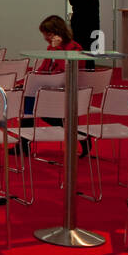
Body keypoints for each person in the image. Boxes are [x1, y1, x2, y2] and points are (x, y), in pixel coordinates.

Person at [16, 15, 87, 156]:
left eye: (48, 34)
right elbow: (44, 68)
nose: (45, 37)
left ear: (58, 32)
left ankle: (23, 145)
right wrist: (28, 81)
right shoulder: (51, 49)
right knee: (28, 101)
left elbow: (68, 71)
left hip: (65, 90)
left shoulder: (74, 48)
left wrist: (57, 50)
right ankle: (23, 144)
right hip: (49, 89)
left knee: (33, 106)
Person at [67, 0, 100, 70]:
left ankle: (90, 70)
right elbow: (74, 2)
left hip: (92, 24)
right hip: (80, 24)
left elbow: (95, 6)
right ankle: (79, 70)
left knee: (92, 49)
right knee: (80, 48)